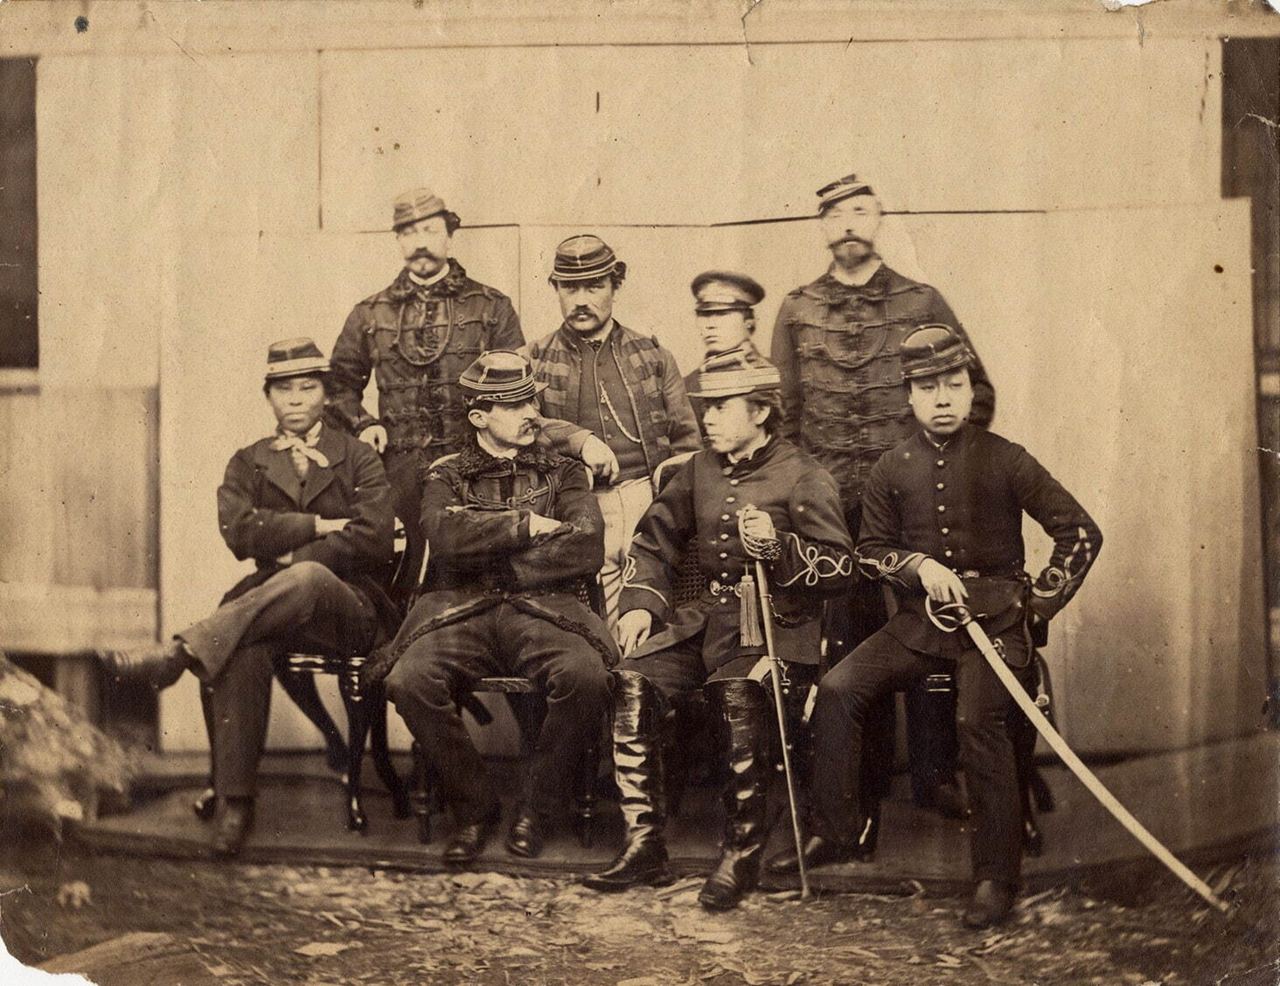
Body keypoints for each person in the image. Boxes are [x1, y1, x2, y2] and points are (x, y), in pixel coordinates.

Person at [767, 325, 1102, 929]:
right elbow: (871, 551)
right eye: (928, 387)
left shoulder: (1008, 459)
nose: (943, 397)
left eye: (954, 384)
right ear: (910, 396)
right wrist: (918, 566)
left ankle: (996, 877)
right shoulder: (890, 468)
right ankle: (839, 831)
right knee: (840, 689)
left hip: (997, 627)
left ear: (973, 391)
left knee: (977, 723)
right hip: (922, 624)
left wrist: (1036, 606)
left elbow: (1080, 533)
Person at [770, 172, 1000, 840]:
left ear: (878, 217)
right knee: (851, 649)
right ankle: (856, 797)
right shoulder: (796, 308)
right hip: (833, 520)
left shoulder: (920, 299)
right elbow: (780, 415)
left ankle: (935, 778)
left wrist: (930, 466)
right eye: (834, 212)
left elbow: (974, 393)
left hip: (911, 510)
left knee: (930, 634)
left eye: (859, 209)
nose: (847, 222)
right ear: (820, 225)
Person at [104, 338, 399, 855]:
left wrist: (291, 552)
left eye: (308, 387)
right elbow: (240, 532)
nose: (295, 399)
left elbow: (373, 537)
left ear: (328, 394)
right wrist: (319, 523)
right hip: (270, 606)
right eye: (283, 389)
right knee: (241, 649)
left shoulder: (358, 457)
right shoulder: (248, 462)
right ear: (268, 397)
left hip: (348, 605)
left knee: (306, 577)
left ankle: (180, 651)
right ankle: (236, 802)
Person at [582, 350, 853, 911]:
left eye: (720, 407)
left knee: (738, 693)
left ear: (760, 411)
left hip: (778, 629)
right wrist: (639, 605)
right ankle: (644, 843)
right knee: (632, 679)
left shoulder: (803, 475)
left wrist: (779, 549)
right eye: (705, 407)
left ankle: (741, 849)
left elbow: (841, 567)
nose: (705, 418)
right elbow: (655, 541)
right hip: (705, 623)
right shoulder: (699, 469)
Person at [372, 351, 617, 865]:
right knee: (409, 680)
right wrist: (525, 528)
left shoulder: (566, 473)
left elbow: (586, 546)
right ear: (479, 417)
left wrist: (489, 553)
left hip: (546, 609)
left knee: (585, 674)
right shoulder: (445, 475)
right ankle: (474, 808)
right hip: (460, 609)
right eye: (513, 404)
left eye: (531, 398)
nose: (530, 411)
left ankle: (537, 809)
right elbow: (442, 537)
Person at [327, 189, 613, 602]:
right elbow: (339, 388)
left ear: (449, 235)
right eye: (408, 233)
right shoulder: (369, 313)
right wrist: (365, 423)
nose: (420, 241)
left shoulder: (491, 306)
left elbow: (519, 392)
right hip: (399, 474)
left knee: (478, 572)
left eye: (429, 229)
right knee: (394, 578)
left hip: (477, 470)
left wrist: (574, 439)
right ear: (397, 241)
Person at [526, 234, 702, 629]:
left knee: (654, 617)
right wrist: (580, 440)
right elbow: (523, 428)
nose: (581, 299)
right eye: (569, 287)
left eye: (594, 286)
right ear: (555, 288)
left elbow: (687, 445)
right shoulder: (532, 361)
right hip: (576, 508)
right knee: (593, 627)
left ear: (615, 286)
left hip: (650, 502)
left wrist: (670, 510)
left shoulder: (653, 356)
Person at [681, 271, 766, 426]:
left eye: (722, 314)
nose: (710, 325)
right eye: (704, 315)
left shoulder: (774, 375)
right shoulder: (686, 387)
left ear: (749, 321)